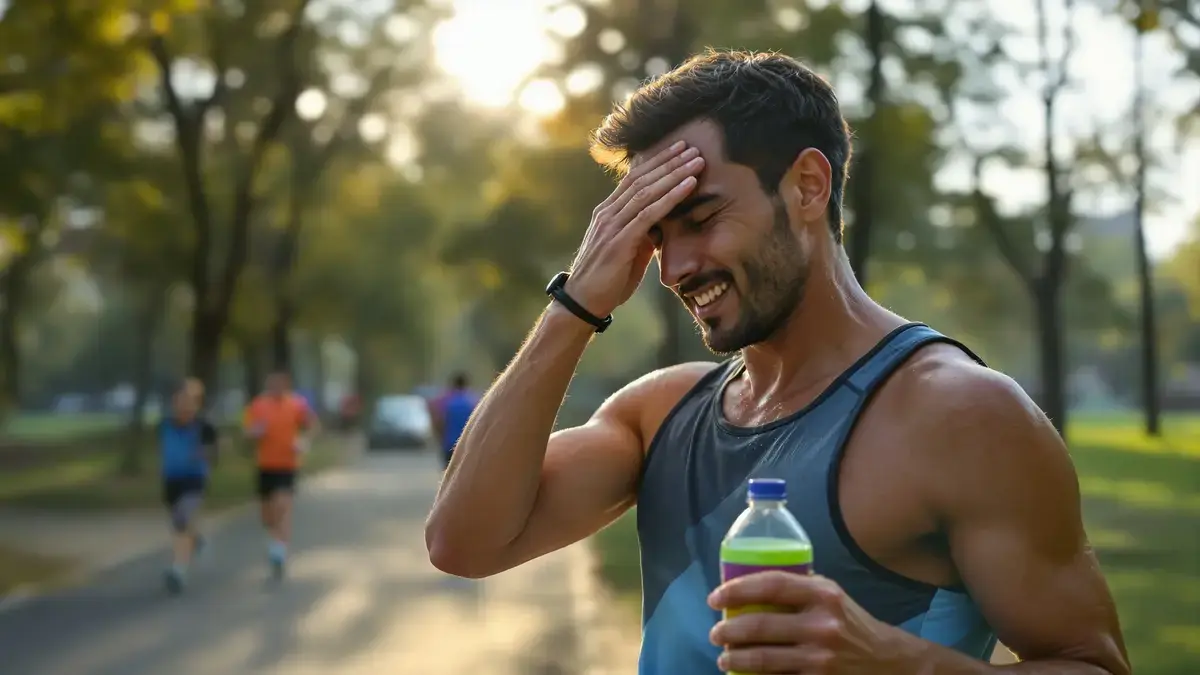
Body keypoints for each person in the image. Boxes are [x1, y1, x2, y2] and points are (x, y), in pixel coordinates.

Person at [425, 50, 1130, 675]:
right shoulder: (660, 414)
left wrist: (897, 662)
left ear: (807, 186)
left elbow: (1092, 663)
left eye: (699, 219)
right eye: (652, 234)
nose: (673, 268)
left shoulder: (962, 415)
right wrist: (575, 303)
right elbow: (462, 541)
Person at [244, 371, 319, 579]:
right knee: (267, 514)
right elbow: (247, 431)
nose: (276, 386)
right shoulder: (258, 405)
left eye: (280, 383)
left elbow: (312, 424)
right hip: (265, 465)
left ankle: (279, 549)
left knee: (283, 506)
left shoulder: (296, 404)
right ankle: (274, 539)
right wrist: (254, 432)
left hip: (287, 464)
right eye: (273, 382)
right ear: (268, 384)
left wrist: (304, 441)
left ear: (286, 384)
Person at [158, 379, 218, 594]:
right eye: (181, 399)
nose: (185, 404)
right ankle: (196, 538)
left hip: (194, 480)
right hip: (171, 480)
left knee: (183, 519)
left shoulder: (204, 426)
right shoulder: (164, 423)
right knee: (179, 523)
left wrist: (203, 453)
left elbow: (214, 453)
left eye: (190, 400)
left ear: (197, 403)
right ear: (174, 401)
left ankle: (178, 571)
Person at [428, 373, 478, 469]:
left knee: (448, 474)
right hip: (467, 444)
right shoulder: (472, 402)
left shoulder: (446, 401)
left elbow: (439, 422)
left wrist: (439, 437)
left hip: (449, 444)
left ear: (453, 384)